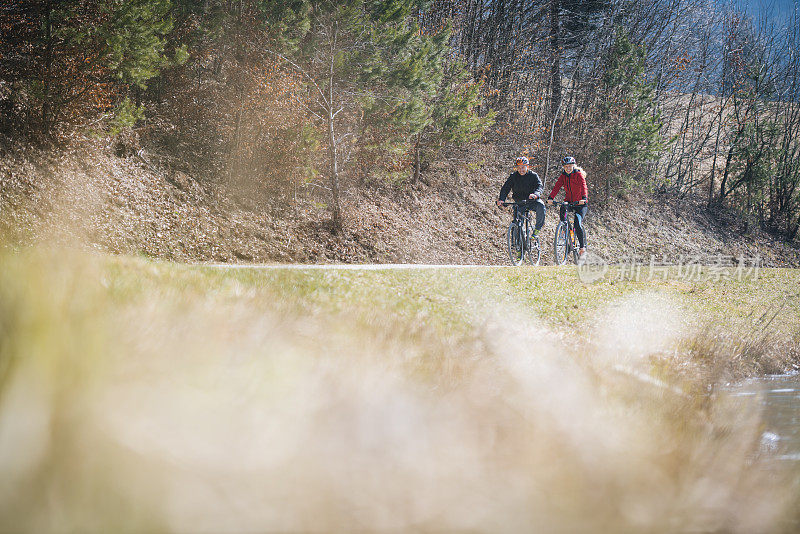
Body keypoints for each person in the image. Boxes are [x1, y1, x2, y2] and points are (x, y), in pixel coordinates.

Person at [547, 156, 588, 257]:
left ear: (573, 166)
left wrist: (584, 198)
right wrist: (550, 197)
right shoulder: (563, 176)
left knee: (577, 223)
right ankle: (565, 229)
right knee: (562, 208)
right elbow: (557, 186)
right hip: (569, 202)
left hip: (580, 203)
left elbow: (583, 186)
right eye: (566, 167)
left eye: (570, 166)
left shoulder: (578, 174)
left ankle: (582, 247)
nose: (568, 168)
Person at [496, 156, 546, 236]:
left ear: (527, 167)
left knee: (541, 205)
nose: (521, 170)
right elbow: (506, 188)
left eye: (523, 167)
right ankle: (515, 244)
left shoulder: (533, 175)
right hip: (519, 202)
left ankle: (537, 229)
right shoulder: (513, 176)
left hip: (532, 201)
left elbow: (539, 186)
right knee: (516, 222)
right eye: (519, 168)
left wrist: (535, 194)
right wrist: (502, 199)